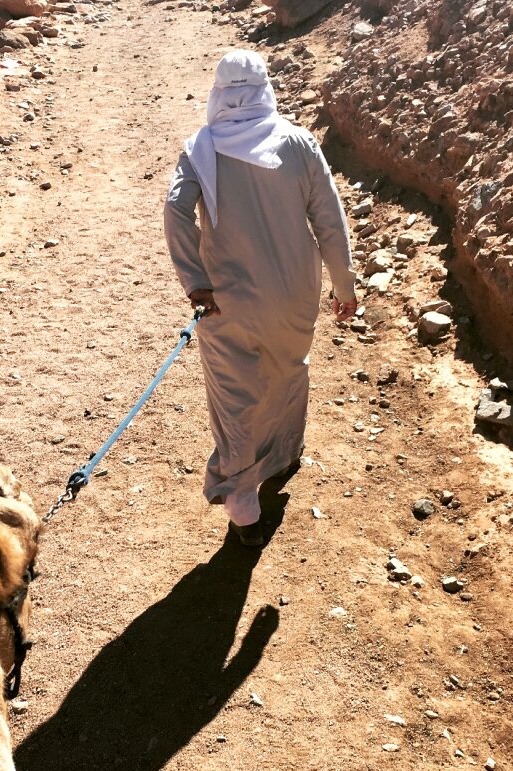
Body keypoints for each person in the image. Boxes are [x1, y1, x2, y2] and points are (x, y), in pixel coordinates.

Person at [164, 49, 357, 548]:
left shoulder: (200, 149)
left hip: (227, 301)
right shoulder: (298, 143)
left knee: (235, 399)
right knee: (288, 372)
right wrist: (344, 285)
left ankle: (244, 506)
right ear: (265, 88)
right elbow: (330, 222)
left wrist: (195, 281)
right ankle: (284, 457)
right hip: (295, 294)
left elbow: (175, 210)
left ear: (218, 93)